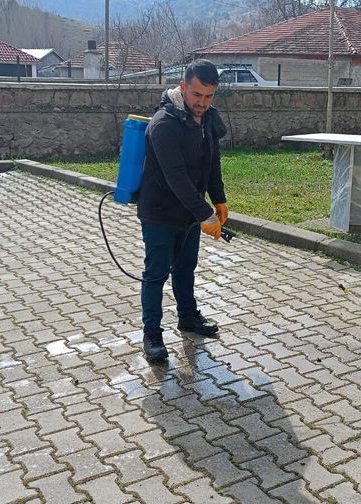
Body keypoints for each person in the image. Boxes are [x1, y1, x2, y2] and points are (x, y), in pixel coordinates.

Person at [136, 59, 229, 363]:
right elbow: (175, 176)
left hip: (189, 213)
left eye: (209, 96)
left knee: (186, 267)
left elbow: (211, 163)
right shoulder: (163, 124)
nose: (202, 102)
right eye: (197, 94)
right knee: (156, 273)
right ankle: (152, 334)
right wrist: (205, 215)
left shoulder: (208, 119)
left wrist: (219, 200)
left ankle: (188, 317)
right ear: (183, 87)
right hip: (160, 212)